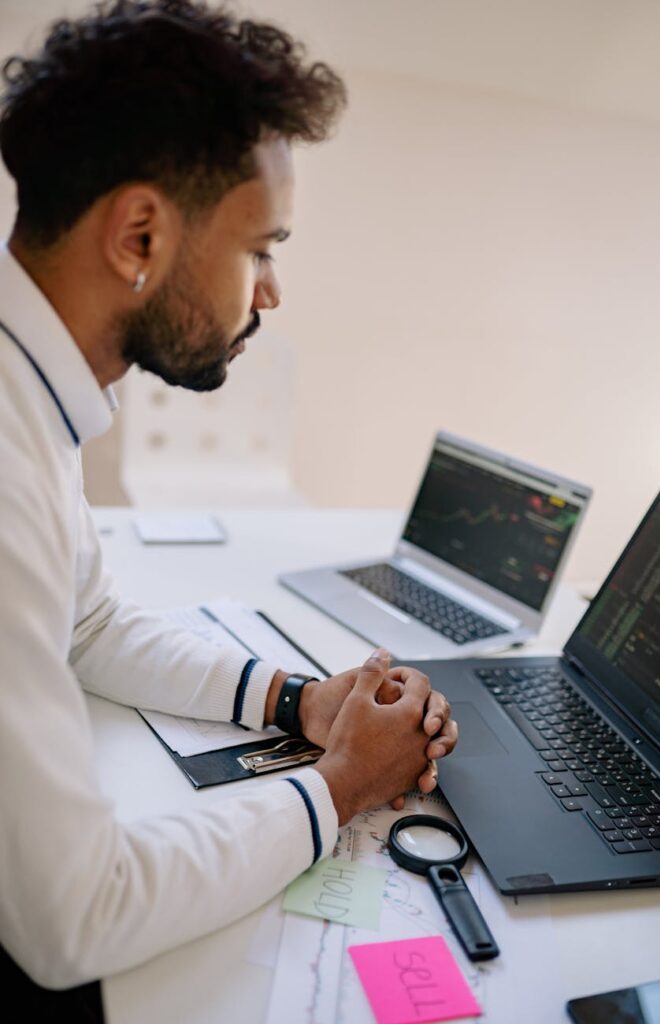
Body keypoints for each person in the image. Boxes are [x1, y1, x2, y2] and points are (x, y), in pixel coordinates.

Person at [0, 0, 458, 1001]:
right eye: (261, 248)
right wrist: (342, 783)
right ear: (138, 235)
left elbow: (87, 623)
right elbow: (75, 917)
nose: (271, 292)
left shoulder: (31, 396)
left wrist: (299, 702)